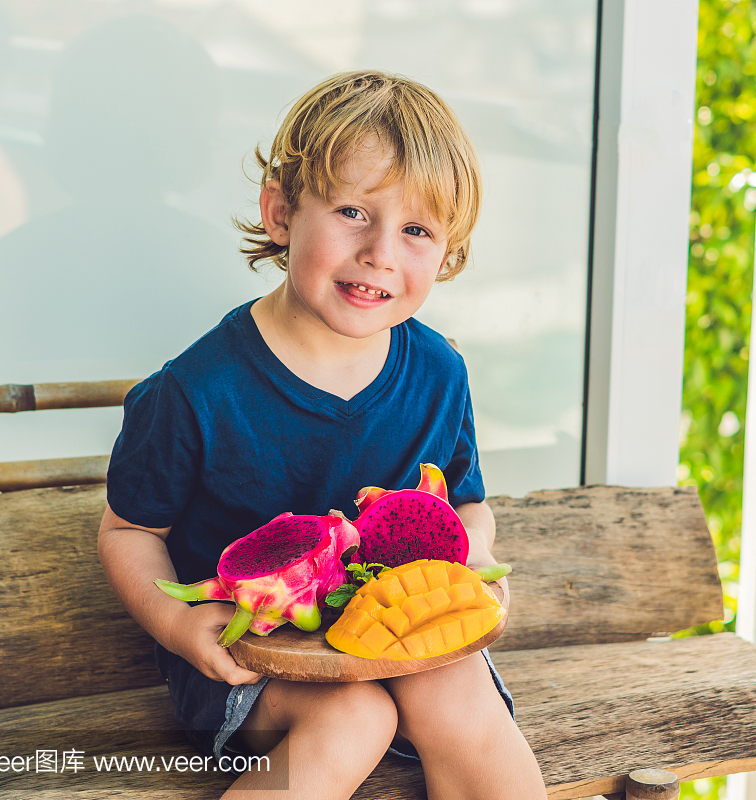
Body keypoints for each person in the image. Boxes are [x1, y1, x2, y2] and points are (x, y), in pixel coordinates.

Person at [97, 70, 548, 799]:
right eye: (351, 211)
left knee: (458, 699)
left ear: (448, 252)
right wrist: (183, 629)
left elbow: (463, 505)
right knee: (354, 719)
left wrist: (478, 557)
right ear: (280, 212)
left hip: (406, 627)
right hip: (257, 660)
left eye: (416, 230)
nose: (380, 253)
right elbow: (127, 532)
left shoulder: (440, 372)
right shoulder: (195, 390)